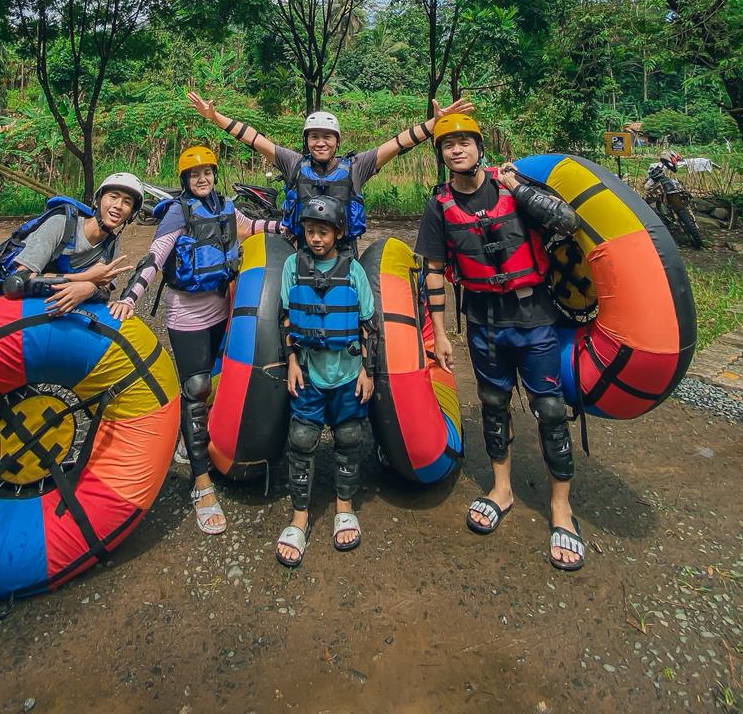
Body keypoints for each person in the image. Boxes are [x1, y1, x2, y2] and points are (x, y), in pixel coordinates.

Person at [415, 114, 586, 571]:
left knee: (549, 409)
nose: (456, 150)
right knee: (492, 403)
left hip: (533, 317)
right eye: (447, 144)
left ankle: (561, 508)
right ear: (441, 154)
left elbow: (567, 221)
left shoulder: (511, 186)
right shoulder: (439, 206)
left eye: (464, 142)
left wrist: (519, 188)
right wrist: (439, 331)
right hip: (483, 321)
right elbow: (434, 269)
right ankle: (501, 489)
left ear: (478, 145)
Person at [109, 146, 280, 535]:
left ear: (214, 174)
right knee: (196, 387)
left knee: (216, 379)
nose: (202, 179)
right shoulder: (176, 212)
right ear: (185, 179)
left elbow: (249, 228)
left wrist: (285, 229)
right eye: (194, 174)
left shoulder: (223, 205)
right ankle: (201, 485)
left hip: (222, 309)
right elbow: (155, 257)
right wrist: (130, 297)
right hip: (187, 314)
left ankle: (196, 443)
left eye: (207, 172)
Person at [186, 90, 474, 249]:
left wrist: (434, 125)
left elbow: (398, 144)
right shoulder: (293, 163)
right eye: (314, 137)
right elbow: (252, 138)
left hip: (344, 251)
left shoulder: (356, 167)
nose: (321, 142)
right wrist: (215, 117)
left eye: (327, 137)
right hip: (300, 248)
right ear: (306, 141)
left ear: (337, 141)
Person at [274, 195, 378, 568]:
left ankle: (344, 507)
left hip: (348, 372)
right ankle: (300, 518)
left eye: (324, 231)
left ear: (338, 233)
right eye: (310, 231)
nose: (316, 238)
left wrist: (368, 371)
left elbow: (369, 325)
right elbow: (285, 318)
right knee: (302, 439)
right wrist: (290, 362)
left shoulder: (353, 271)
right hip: (308, 368)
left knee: (349, 437)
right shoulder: (292, 266)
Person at [0, 173, 143, 324]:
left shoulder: (110, 245)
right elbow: (19, 282)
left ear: (131, 214)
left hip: (9, 311)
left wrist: (90, 287)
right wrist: (85, 279)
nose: (118, 205)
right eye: (113, 197)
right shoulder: (61, 224)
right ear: (98, 201)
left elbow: (103, 289)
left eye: (127, 202)